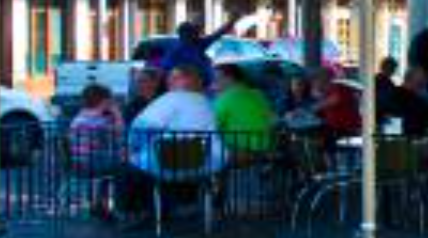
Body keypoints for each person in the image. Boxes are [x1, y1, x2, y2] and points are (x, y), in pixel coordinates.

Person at [120, 65, 225, 216]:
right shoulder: (206, 101)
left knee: (128, 168)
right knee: (150, 165)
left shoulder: (170, 98)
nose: (169, 81)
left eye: (175, 77)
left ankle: (130, 213)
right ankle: (181, 204)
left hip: (171, 159)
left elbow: (142, 127)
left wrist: (132, 147)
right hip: (207, 160)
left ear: (189, 80)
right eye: (169, 77)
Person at [212, 64, 277, 154]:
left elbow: (213, 125)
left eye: (217, 79)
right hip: (266, 148)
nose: (214, 82)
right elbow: (272, 119)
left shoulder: (226, 98)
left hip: (240, 151)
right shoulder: (258, 94)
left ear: (229, 78)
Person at [160, 16, 240, 87]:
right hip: (189, 86)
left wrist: (232, 21)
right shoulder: (176, 50)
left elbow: (217, 35)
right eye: (193, 32)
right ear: (184, 35)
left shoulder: (198, 44)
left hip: (202, 83)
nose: (197, 35)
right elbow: (165, 69)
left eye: (195, 32)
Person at [68, 84, 125, 174]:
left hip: (80, 163)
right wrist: (117, 113)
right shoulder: (98, 120)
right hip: (96, 164)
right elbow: (120, 135)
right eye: (111, 99)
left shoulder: (79, 117)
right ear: (105, 101)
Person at [310, 66, 361, 138]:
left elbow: (334, 100)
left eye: (317, 79)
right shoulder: (327, 91)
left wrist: (315, 106)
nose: (316, 83)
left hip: (347, 129)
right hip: (335, 128)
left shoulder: (338, 87)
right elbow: (316, 96)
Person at [390, 67, 428, 135]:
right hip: (412, 136)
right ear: (409, 80)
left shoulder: (395, 92)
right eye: (421, 81)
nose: (425, 82)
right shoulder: (414, 100)